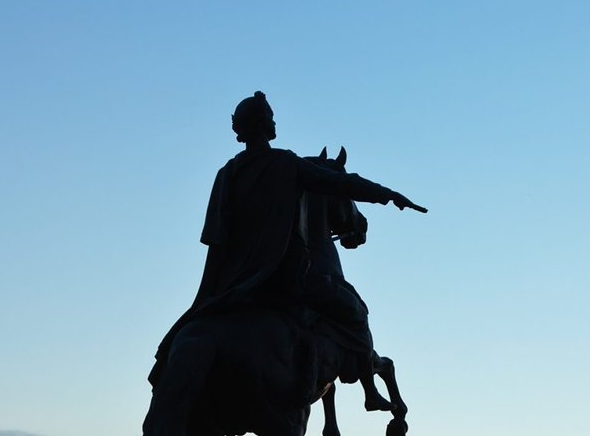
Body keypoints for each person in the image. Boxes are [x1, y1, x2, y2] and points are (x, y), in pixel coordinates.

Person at [151, 91, 424, 384]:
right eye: (271, 118)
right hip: (283, 276)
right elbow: (339, 183)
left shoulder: (226, 174)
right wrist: (388, 195)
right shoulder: (286, 163)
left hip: (229, 282)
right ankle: (365, 377)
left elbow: (216, 238)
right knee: (356, 314)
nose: (274, 123)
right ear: (265, 124)